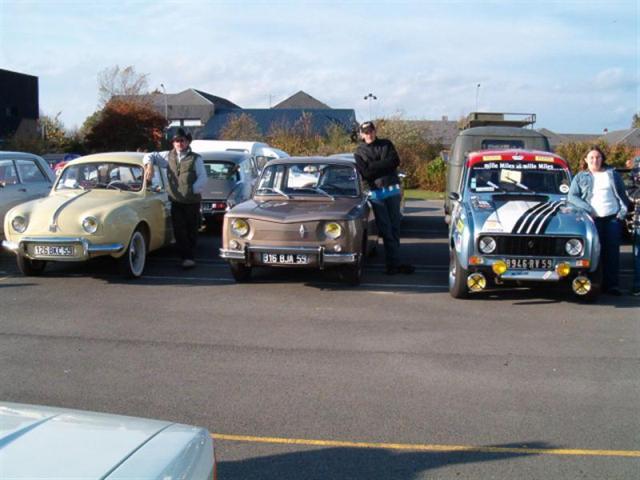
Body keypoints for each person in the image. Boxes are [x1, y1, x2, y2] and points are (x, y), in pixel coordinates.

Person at [354, 121, 414, 275]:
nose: (369, 134)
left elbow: (394, 162)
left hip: (393, 192)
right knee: (386, 229)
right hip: (376, 195)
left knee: (395, 228)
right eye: (366, 132)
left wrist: (373, 166)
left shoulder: (386, 144)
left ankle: (393, 263)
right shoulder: (359, 152)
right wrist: (383, 165)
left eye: (371, 131)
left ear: (375, 131)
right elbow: (365, 174)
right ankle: (393, 264)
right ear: (361, 134)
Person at [568, 146, 630, 295]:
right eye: (592, 158)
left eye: (598, 157)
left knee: (612, 253)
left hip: (612, 219)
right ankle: (594, 285)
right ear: (586, 160)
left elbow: (623, 195)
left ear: (602, 159)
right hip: (591, 221)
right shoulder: (580, 177)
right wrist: (589, 210)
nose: (595, 160)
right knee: (594, 253)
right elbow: (572, 196)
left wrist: (621, 213)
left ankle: (612, 286)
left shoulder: (612, 175)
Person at [144, 128, 206, 268]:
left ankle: (190, 254)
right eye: (176, 141)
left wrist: (191, 190)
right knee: (179, 229)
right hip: (176, 200)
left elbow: (202, 177)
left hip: (192, 201)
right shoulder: (168, 156)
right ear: (173, 143)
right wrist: (149, 166)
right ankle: (186, 257)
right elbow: (150, 155)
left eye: (182, 140)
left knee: (192, 229)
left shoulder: (196, 158)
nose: (179, 143)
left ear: (187, 142)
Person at [627, 155, 640, 295]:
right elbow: (629, 191)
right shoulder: (636, 168)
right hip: (639, 220)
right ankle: (638, 285)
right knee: (638, 254)